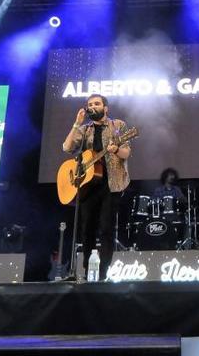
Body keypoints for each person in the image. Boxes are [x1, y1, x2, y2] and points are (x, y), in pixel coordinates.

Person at [62, 94, 131, 280]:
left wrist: (115, 149)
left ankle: (103, 274)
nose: (92, 106)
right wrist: (77, 123)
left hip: (111, 184)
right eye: (90, 104)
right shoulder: (85, 130)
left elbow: (126, 153)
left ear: (105, 108)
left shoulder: (118, 126)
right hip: (87, 185)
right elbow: (68, 148)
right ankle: (86, 271)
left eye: (97, 104)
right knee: (87, 229)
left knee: (106, 228)